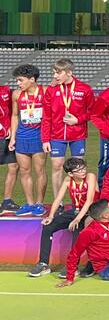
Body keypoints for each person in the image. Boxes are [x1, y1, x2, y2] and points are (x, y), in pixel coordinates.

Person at [29, 157, 96, 277]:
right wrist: (50, 216)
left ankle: (72, 266)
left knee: (77, 229)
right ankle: (43, 263)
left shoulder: (90, 177)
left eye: (83, 168)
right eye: (79, 170)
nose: (83, 172)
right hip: (74, 211)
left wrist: (77, 219)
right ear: (70, 173)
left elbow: (89, 200)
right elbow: (58, 199)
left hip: (90, 212)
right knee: (48, 226)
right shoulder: (67, 180)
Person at [43, 58, 94, 199]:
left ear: (69, 72)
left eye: (58, 73)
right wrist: (45, 139)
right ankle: (57, 202)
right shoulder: (51, 91)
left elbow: (93, 111)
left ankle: (80, 201)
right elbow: (46, 116)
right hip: (56, 136)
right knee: (56, 167)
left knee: (78, 169)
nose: (55, 76)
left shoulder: (85, 89)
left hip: (78, 135)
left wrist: (78, 120)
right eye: (54, 73)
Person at [9, 64, 48, 216]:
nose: (18, 83)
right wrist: (13, 137)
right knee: (25, 171)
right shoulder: (17, 95)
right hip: (22, 136)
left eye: (20, 80)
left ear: (32, 79)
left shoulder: (45, 92)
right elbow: (14, 115)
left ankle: (39, 203)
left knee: (40, 171)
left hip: (39, 136)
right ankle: (29, 203)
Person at [0, 81, 19, 215]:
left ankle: (7, 201)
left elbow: (12, 112)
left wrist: (12, 128)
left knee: (14, 166)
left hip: (7, 137)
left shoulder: (5, 90)